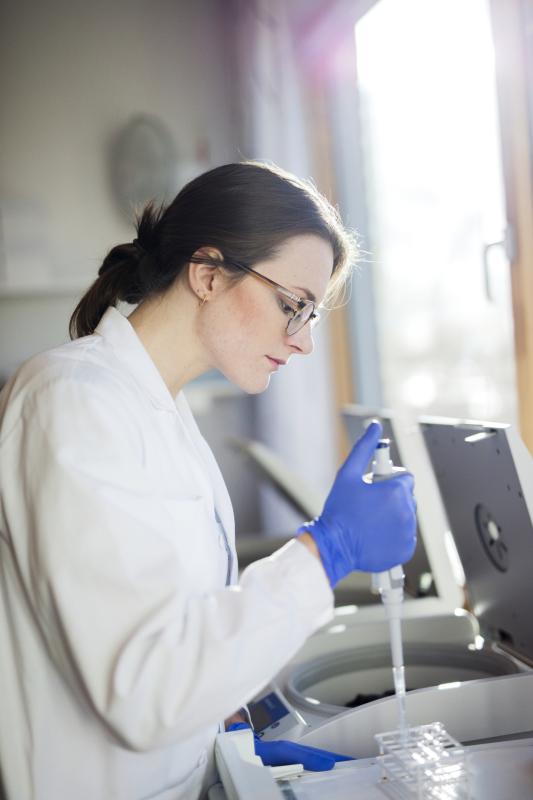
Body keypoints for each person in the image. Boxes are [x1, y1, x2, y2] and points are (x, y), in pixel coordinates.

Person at [0, 161, 416, 800]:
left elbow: (175, 623)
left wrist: (223, 747)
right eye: (292, 307)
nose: (302, 343)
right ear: (209, 273)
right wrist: (327, 550)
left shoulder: (163, 411)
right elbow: (141, 688)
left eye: (310, 316)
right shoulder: (70, 399)